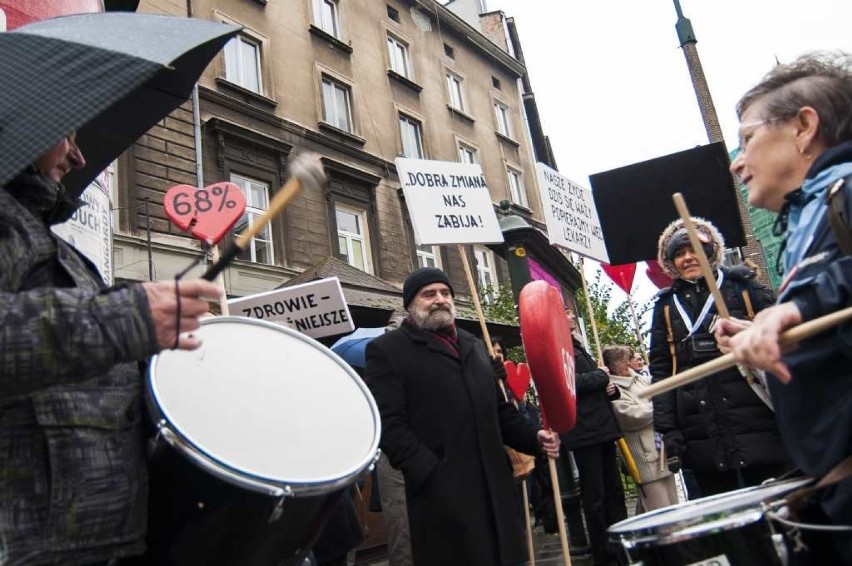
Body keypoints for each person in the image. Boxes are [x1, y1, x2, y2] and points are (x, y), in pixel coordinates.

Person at [0, 133, 222, 564]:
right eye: (64, 134)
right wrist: (129, 318)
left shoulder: (41, 234)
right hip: (36, 547)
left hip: (102, 537)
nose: (79, 156)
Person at [715, 51, 852, 562]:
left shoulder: (847, 189)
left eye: (747, 138)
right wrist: (767, 333)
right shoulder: (805, 221)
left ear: (804, 127)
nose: (737, 161)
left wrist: (796, 310)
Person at [365, 267, 560, 565]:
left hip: (494, 490)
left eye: (445, 293)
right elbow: (390, 425)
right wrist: (432, 474)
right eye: (428, 294)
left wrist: (535, 438)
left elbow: (500, 413)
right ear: (410, 304)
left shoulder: (473, 344)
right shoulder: (387, 350)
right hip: (442, 498)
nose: (439, 299)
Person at [649, 216, 791, 497]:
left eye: (695, 250)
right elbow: (662, 372)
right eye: (679, 253)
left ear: (712, 251)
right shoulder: (665, 307)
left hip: (761, 423)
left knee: (779, 508)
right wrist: (669, 430)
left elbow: (783, 341)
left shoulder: (745, 289)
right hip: (700, 432)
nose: (688, 258)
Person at [558, 308, 626, 566]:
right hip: (586, 432)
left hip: (601, 427)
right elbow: (568, 382)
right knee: (595, 497)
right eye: (565, 312)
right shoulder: (559, 347)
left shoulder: (576, 344)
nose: (571, 315)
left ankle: (620, 547)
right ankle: (605, 555)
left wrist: (609, 388)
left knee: (614, 492)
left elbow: (597, 384)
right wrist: (601, 376)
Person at [603, 345, 678, 513]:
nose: (629, 364)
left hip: (661, 450)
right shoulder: (614, 389)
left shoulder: (639, 379)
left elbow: (658, 395)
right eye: (625, 361)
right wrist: (657, 409)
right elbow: (630, 416)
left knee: (673, 503)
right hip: (644, 456)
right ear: (614, 366)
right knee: (660, 509)